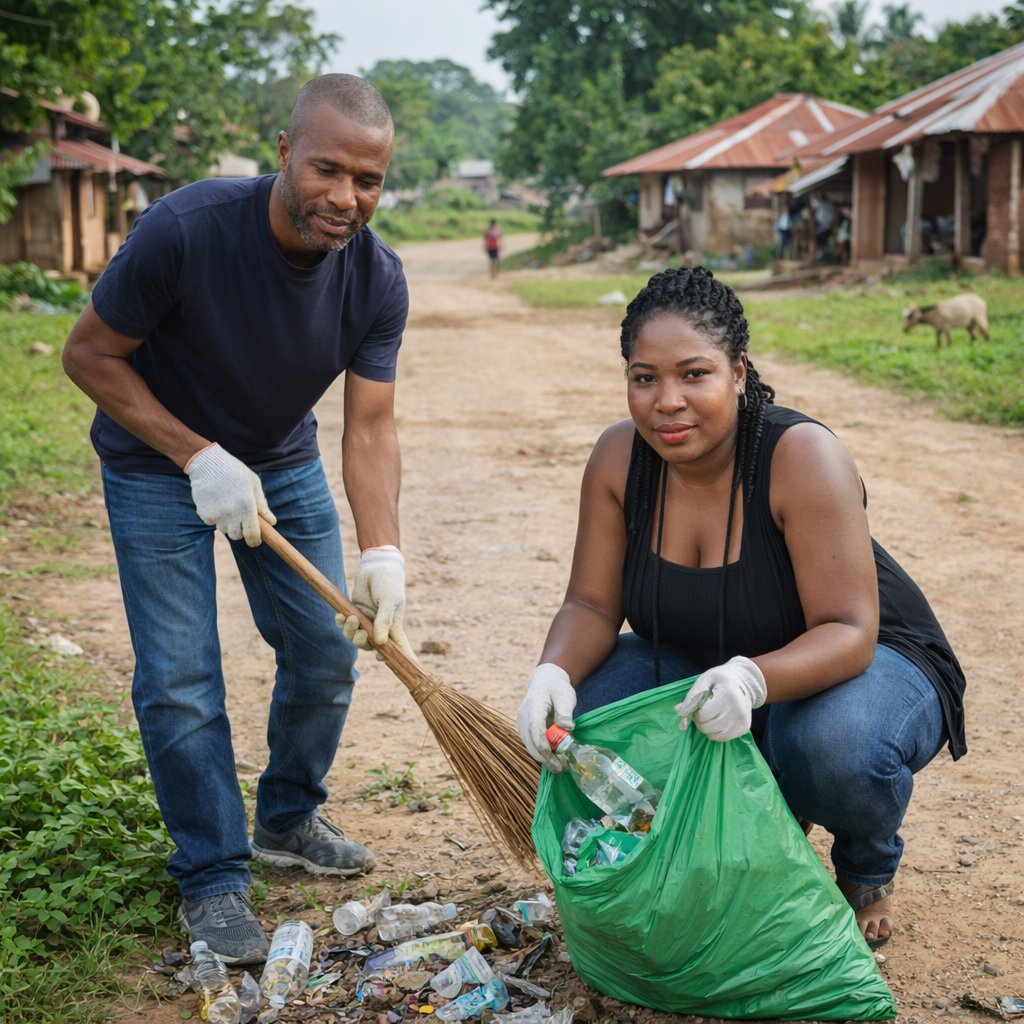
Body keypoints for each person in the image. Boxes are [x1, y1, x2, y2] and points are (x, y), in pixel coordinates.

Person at [62, 74, 412, 965]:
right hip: (154, 463)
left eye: (367, 180)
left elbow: (370, 423)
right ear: (285, 152)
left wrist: (383, 549)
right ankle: (213, 876)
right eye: (328, 169)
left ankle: (288, 818)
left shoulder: (376, 278)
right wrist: (194, 455)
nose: (346, 198)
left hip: (280, 458)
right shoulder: (186, 230)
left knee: (331, 647)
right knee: (181, 675)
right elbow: (88, 353)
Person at [516, 267, 966, 950]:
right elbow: (590, 601)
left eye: (694, 374)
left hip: (860, 662)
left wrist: (752, 680)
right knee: (588, 724)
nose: (668, 401)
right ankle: (757, 817)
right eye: (645, 378)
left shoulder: (800, 456)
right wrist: (552, 674)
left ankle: (865, 869)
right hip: (705, 659)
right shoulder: (618, 459)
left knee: (834, 748)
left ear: (738, 373)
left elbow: (850, 629)